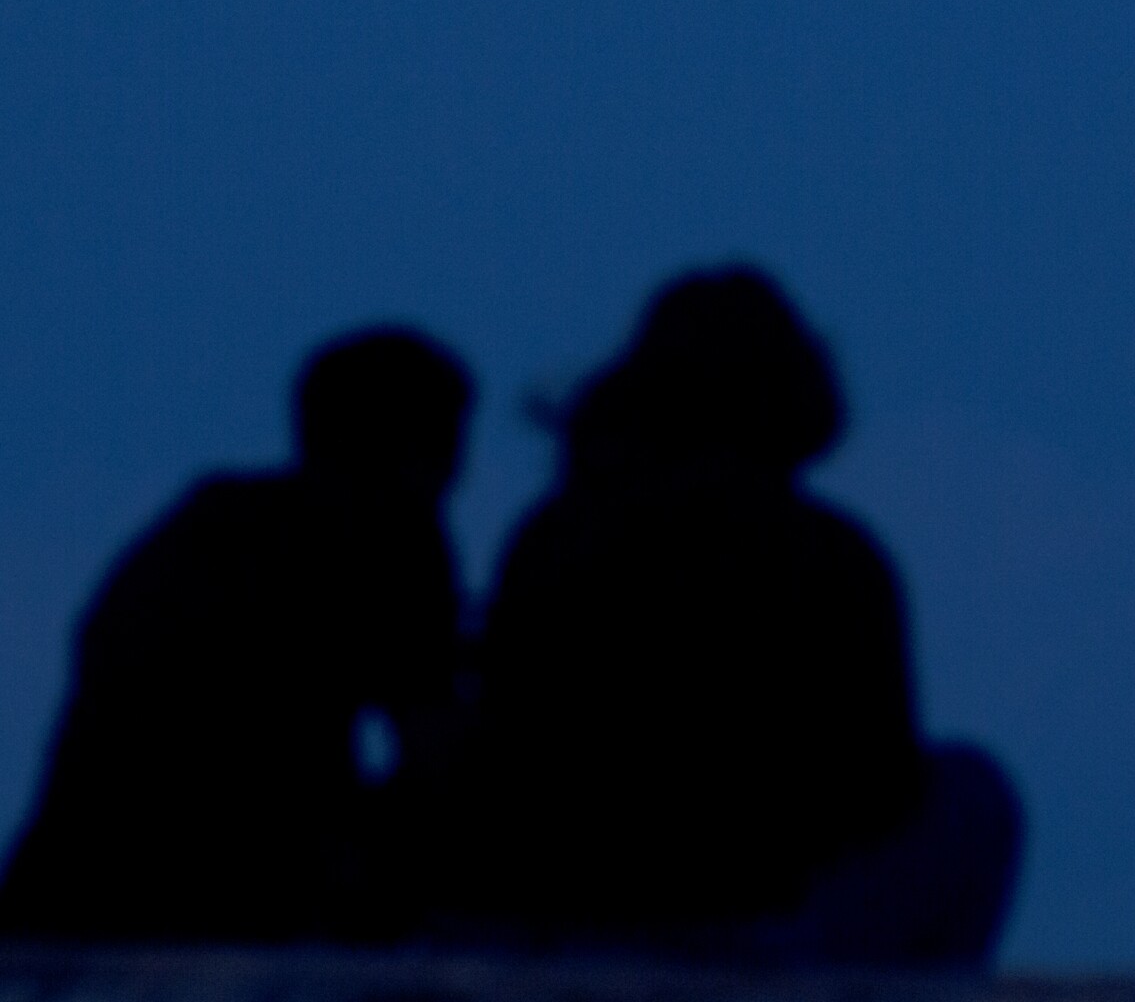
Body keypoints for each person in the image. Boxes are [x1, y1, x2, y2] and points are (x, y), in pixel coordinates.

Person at [465, 267, 1021, 965]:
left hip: (562, 907)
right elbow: (879, 788)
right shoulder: (831, 552)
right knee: (973, 792)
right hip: (752, 918)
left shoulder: (554, 533)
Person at [0, 328, 473, 942]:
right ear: (424, 447)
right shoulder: (393, 544)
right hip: (213, 905)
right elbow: (436, 755)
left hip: (70, 894)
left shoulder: (200, 530)